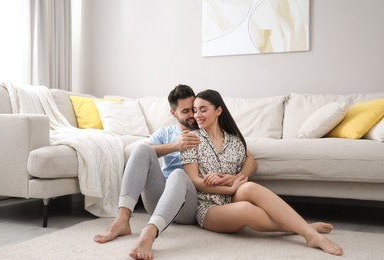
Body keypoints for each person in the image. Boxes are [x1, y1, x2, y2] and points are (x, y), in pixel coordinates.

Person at [94, 84, 257, 260]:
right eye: (186, 111)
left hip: (189, 201)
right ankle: (122, 219)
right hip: (159, 196)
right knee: (142, 149)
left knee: (178, 174)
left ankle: (149, 233)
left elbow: (250, 158)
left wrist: (238, 178)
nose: (194, 115)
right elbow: (142, 154)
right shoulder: (165, 133)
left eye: (194, 109)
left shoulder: (206, 130)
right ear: (174, 113)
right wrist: (175, 146)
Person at [180, 89, 343, 256]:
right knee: (246, 208)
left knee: (250, 187)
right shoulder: (191, 139)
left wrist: (237, 178)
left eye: (203, 109)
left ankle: (310, 235)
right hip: (209, 207)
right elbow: (194, 181)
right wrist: (229, 188)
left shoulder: (235, 141)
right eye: (195, 110)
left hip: (233, 196)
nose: (197, 114)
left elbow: (251, 162)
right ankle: (305, 229)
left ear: (218, 111)